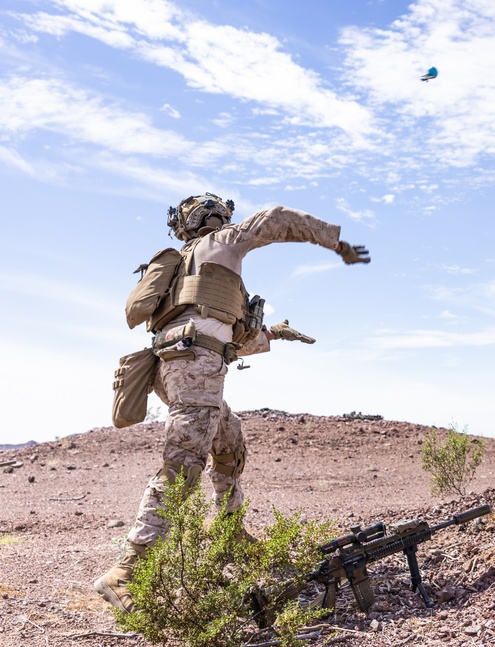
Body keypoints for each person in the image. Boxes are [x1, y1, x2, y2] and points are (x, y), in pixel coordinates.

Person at [94, 193, 370, 613]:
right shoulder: (223, 243)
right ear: (216, 218)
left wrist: (273, 334)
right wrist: (335, 243)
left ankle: (229, 534)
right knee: (183, 464)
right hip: (196, 367)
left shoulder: (193, 271)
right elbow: (277, 218)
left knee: (230, 441)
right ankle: (127, 571)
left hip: (183, 367)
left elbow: (225, 337)